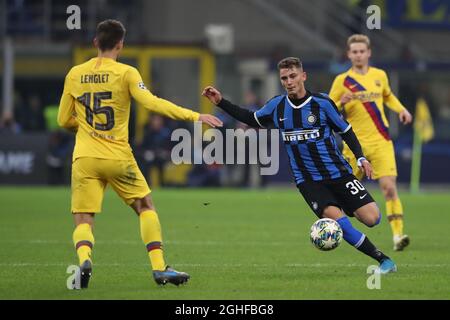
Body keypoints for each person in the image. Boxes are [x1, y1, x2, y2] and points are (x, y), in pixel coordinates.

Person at [57, 19, 222, 289]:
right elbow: (152, 103)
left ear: (95, 43)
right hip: (119, 156)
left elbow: (64, 120)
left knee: (84, 217)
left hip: (85, 157)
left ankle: (85, 259)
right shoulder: (127, 73)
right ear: (121, 45)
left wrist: (87, 128)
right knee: (145, 207)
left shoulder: (75, 73)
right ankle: (159, 268)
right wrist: (195, 115)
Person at [202, 57, 397, 274]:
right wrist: (220, 102)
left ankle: (349, 208)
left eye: (293, 76)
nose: (289, 81)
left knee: (372, 218)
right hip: (309, 182)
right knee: (339, 223)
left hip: (339, 174)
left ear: (303, 76)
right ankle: (384, 260)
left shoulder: (322, 104)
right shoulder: (277, 106)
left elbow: (346, 131)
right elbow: (250, 118)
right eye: (284, 78)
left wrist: (360, 158)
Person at [329, 34, 413, 251]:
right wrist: (340, 102)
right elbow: (327, 110)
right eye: (354, 52)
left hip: (381, 141)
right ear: (348, 55)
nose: (358, 55)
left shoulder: (380, 75)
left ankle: (397, 235)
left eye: (361, 51)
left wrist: (401, 109)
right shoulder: (342, 81)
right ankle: (335, 225)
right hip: (355, 146)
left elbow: (388, 96)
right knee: (343, 192)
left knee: (388, 188)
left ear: (369, 53)